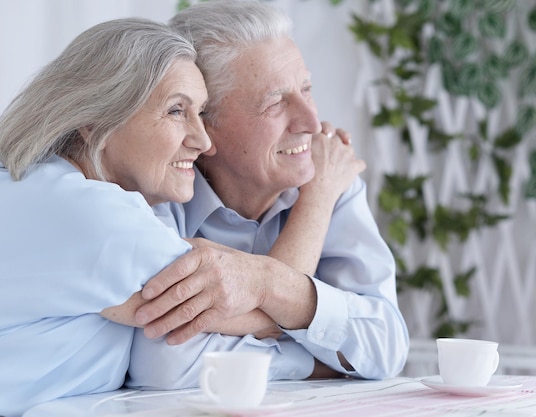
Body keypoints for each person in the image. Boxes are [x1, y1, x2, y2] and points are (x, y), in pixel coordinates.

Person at [0, 16, 357, 416]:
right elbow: (264, 296)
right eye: (175, 111)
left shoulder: (25, 185)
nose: (203, 141)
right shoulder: (96, 218)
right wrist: (320, 194)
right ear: (94, 120)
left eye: (201, 112)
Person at [126, 0, 409, 389]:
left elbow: (387, 344)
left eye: (306, 88)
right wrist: (320, 358)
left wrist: (266, 284)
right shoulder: (154, 188)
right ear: (204, 125)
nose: (311, 121)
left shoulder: (330, 174)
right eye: (275, 102)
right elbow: (165, 364)